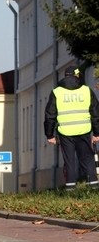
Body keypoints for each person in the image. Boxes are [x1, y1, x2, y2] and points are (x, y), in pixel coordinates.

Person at [44, 61, 99, 189]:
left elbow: (50, 115)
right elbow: (96, 113)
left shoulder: (57, 92)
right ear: (78, 76)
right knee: (87, 158)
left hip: (65, 132)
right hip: (84, 130)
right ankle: (94, 187)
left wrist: (49, 135)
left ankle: (70, 188)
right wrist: (97, 133)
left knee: (69, 161)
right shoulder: (86, 91)